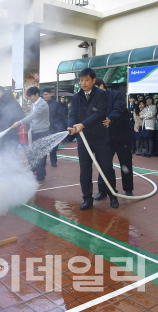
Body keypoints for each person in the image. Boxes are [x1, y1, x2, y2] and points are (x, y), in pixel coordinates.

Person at [67, 68, 118, 210]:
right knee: (85, 170)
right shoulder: (77, 97)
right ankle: (87, 199)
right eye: (81, 80)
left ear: (93, 80)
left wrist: (82, 124)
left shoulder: (102, 95)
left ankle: (112, 196)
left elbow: (100, 114)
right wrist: (71, 126)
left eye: (86, 80)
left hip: (100, 138)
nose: (83, 83)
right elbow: (73, 114)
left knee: (106, 168)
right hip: (83, 139)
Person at [93, 78, 134, 197]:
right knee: (104, 163)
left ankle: (128, 189)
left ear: (101, 86)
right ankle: (103, 190)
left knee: (125, 163)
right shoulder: (96, 101)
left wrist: (110, 119)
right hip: (106, 138)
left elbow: (119, 109)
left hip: (122, 136)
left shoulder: (117, 95)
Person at [12, 87, 50, 185]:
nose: (29, 98)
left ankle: (40, 178)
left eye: (31, 96)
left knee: (39, 155)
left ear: (37, 94)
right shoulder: (35, 103)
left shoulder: (42, 104)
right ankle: (41, 174)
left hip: (41, 132)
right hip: (35, 131)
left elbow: (33, 116)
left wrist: (20, 122)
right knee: (37, 153)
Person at [43, 88, 60, 167]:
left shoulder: (55, 104)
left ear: (50, 94)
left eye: (46, 94)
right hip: (43, 128)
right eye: (44, 94)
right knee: (43, 145)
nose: (45, 96)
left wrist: (53, 123)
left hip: (52, 127)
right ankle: (43, 161)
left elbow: (59, 115)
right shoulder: (42, 103)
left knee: (52, 145)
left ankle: (53, 161)